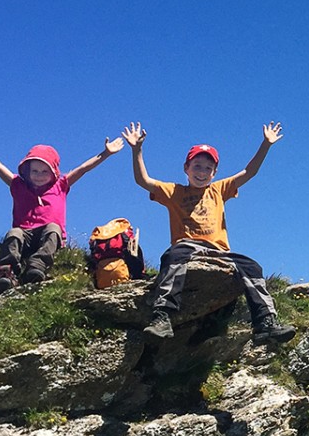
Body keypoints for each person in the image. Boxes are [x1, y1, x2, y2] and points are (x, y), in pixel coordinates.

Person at [121, 121, 295, 344]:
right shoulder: (174, 191)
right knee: (173, 256)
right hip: (187, 246)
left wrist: (266, 145)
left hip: (219, 251)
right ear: (186, 168)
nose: (202, 172)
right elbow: (142, 180)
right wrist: (137, 150)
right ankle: (162, 317)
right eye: (197, 166)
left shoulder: (219, 189)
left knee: (251, 266)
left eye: (207, 168)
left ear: (214, 172)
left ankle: (265, 323)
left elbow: (249, 172)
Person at [0, 129, 124, 292]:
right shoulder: (18, 186)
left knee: (53, 229)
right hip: (25, 234)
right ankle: (7, 271)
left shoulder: (61, 185)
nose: (39, 175)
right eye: (34, 171)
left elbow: (84, 168)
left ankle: (37, 266)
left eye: (44, 171)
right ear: (27, 171)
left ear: (53, 172)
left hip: (48, 237)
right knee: (14, 233)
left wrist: (105, 154)